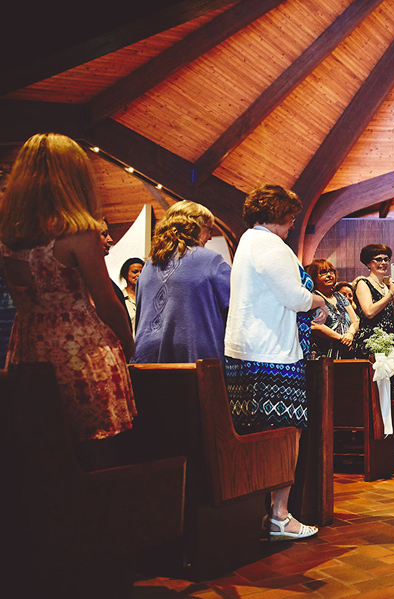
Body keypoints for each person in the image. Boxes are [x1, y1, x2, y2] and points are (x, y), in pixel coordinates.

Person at [0, 133, 135, 461]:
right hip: (82, 355)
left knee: (42, 457)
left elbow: (20, 297)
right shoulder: (78, 232)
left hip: (28, 349)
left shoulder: (8, 233)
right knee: (97, 457)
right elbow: (107, 304)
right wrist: (128, 347)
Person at [224, 184, 325, 541]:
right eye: (291, 217)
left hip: (245, 351)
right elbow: (294, 297)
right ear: (278, 214)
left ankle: (257, 513)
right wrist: (320, 301)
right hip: (272, 355)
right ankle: (280, 515)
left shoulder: (247, 241)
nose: (293, 224)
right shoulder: (270, 244)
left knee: (255, 434)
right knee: (285, 433)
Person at [133, 201, 231, 364]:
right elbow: (235, 311)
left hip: (147, 359)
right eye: (210, 229)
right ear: (195, 227)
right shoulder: (210, 260)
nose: (210, 237)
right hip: (195, 359)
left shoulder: (149, 265)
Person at [353, 244, 394, 398]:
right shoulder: (363, 283)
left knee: (393, 390)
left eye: (386, 259)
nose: (383, 263)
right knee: (373, 392)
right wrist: (390, 294)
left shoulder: (387, 287)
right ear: (368, 263)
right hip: (371, 343)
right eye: (378, 259)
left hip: (391, 342)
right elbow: (369, 312)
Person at [305, 260, 358, 359]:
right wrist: (341, 338)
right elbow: (314, 325)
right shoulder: (312, 297)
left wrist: (350, 334)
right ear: (314, 277)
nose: (329, 275)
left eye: (331, 271)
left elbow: (355, 321)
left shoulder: (340, 296)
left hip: (346, 351)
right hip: (323, 355)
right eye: (323, 272)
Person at [119, 257, 143, 332]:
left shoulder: (148, 298)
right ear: (125, 275)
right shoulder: (119, 298)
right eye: (135, 272)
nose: (139, 275)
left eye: (142, 272)